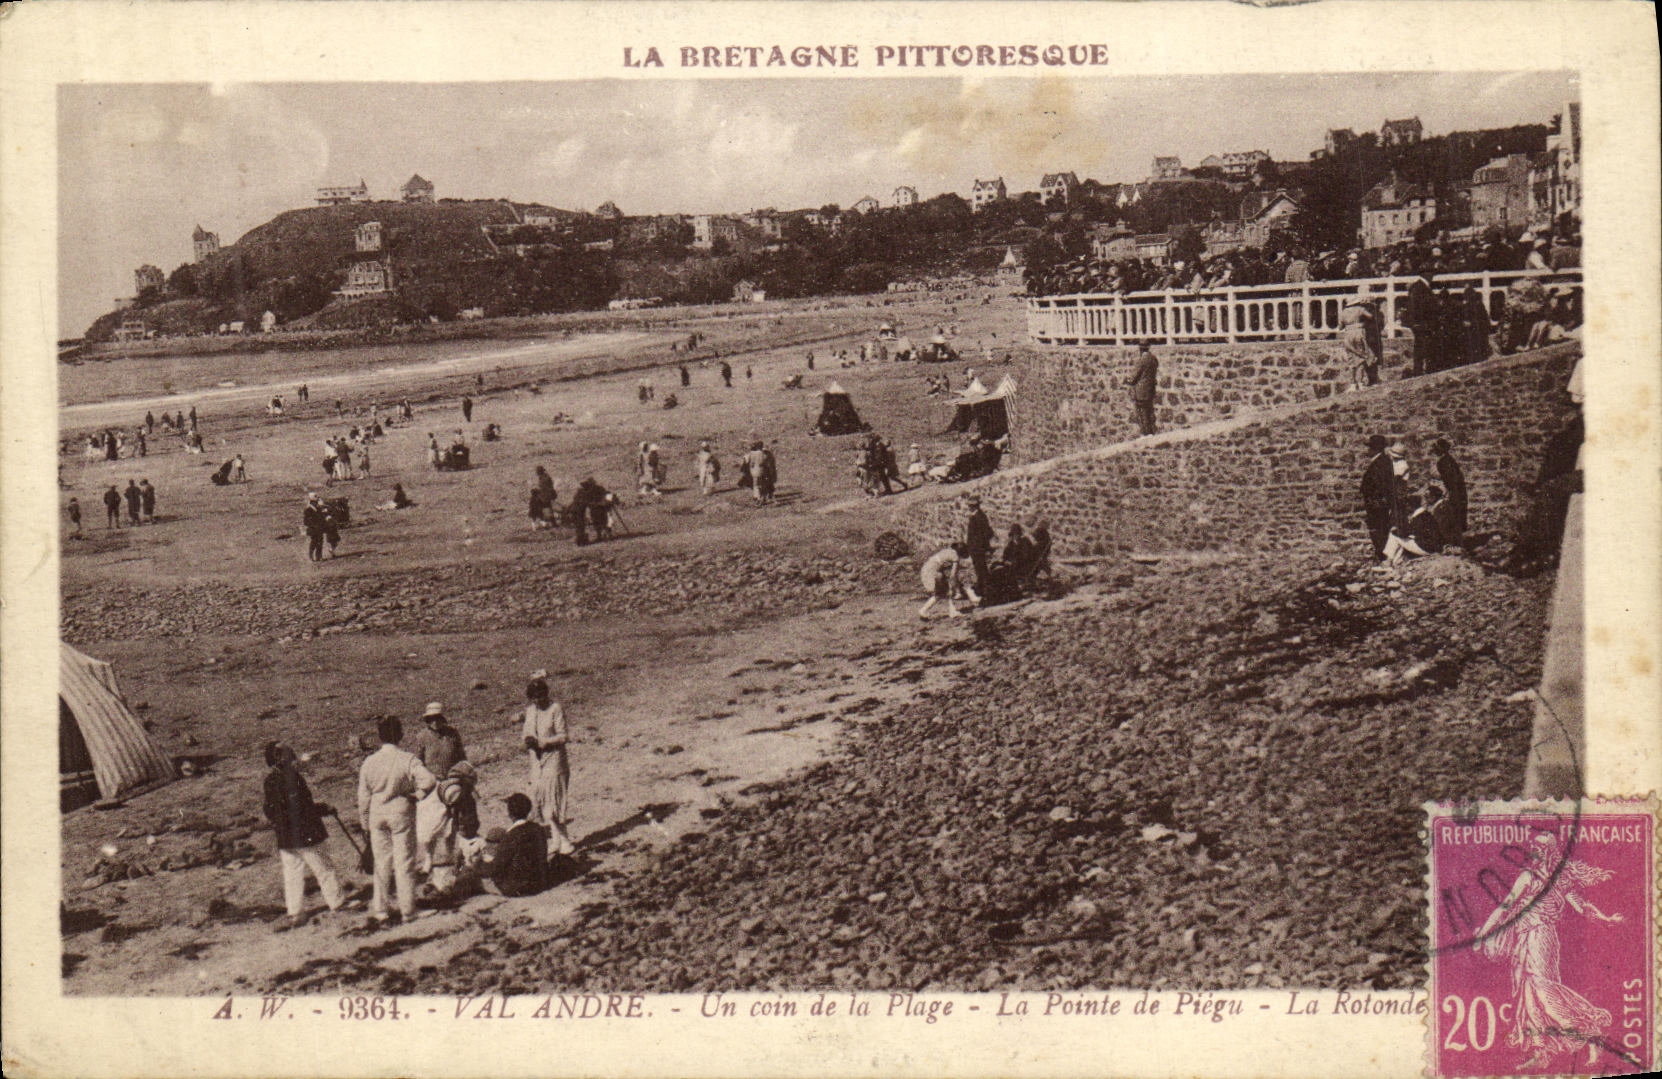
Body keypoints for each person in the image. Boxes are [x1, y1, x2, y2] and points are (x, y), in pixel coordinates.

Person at [356, 716, 436, 927]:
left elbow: (363, 798)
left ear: (380, 737)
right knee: (404, 862)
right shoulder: (406, 759)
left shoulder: (369, 762)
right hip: (400, 811)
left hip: (376, 814)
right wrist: (417, 795)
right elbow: (428, 780)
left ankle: (381, 910)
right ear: (399, 735)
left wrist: (364, 824)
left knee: (381, 863)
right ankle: (408, 911)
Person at [262, 742, 346, 931]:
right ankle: (337, 903)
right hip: (305, 834)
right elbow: (303, 808)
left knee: (292, 875)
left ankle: (295, 913)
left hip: (285, 837)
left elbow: (269, 810)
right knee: (324, 869)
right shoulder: (293, 778)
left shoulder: (270, 781)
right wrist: (323, 809)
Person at [522, 671, 575, 856]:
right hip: (536, 760)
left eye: (541, 696)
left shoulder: (555, 709)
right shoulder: (530, 711)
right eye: (534, 698)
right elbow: (527, 730)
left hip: (554, 759)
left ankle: (566, 839)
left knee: (555, 800)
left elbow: (563, 735)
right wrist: (529, 739)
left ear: (546, 694)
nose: (538, 700)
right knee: (542, 800)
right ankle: (556, 839)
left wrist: (545, 742)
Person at [485, 793, 551, 898]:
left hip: (516, 887)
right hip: (540, 882)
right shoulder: (538, 829)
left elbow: (496, 866)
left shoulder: (510, 836)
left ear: (510, 814)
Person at [1359, 435, 1401, 561]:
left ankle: (1382, 557)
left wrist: (1376, 501)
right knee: (1378, 530)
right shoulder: (1381, 461)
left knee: (1379, 530)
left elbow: (1381, 486)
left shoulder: (1381, 463)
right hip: (1376, 504)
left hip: (1378, 506)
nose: (1367, 450)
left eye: (1369, 447)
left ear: (1375, 449)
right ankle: (1381, 556)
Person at [918, 543, 977, 619]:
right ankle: (923, 610)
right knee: (941, 593)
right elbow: (953, 575)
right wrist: (956, 588)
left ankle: (952, 611)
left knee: (945, 592)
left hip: (927, 569)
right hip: (932, 573)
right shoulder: (955, 557)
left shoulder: (947, 551)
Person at [1431, 438, 1467, 544]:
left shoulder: (1443, 462)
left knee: (1453, 516)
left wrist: (1448, 493)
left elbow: (1451, 480)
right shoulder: (1448, 459)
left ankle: (1454, 542)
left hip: (1455, 492)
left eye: (1436, 448)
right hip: (1457, 492)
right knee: (1456, 516)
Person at [1340, 294, 1381, 386]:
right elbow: (1370, 316)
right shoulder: (1359, 309)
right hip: (1358, 333)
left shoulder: (1344, 312)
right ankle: (1360, 381)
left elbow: (1340, 327)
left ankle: (1353, 383)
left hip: (1348, 335)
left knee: (1352, 358)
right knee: (1361, 356)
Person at [964, 495, 994, 596]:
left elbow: (986, 533)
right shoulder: (975, 516)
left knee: (981, 569)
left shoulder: (980, 517)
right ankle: (982, 589)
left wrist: (980, 546)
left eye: (972, 506)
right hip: (975, 548)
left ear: (976, 506)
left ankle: (986, 590)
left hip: (978, 548)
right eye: (970, 506)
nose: (970, 507)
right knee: (979, 569)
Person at [1127, 342, 1158, 435]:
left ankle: (1146, 433)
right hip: (1151, 388)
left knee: (1142, 412)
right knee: (1149, 411)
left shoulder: (1141, 360)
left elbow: (1133, 377)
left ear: (1140, 349)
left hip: (1141, 390)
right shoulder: (1153, 359)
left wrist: (1127, 380)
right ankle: (1151, 432)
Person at [303, 493, 329, 562]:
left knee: (320, 542)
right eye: (315, 501)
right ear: (312, 502)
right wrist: (314, 525)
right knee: (314, 542)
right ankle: (311, 556)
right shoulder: (308, 510)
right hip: (313, 529)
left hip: (319, 529)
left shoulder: (317, 508)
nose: (317, 502)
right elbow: (306, 521)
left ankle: (319, 556)